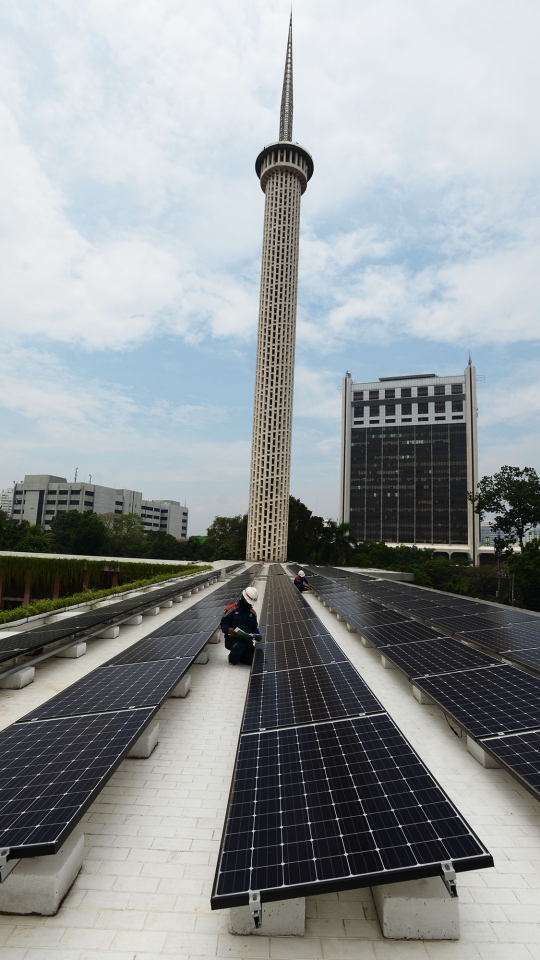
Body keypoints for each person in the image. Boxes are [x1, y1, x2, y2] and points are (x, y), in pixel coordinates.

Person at [221, 585, 262, 665]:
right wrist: (229, 629)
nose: (249, 605)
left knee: (256, 659)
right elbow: (223, 624)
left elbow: (254, 628)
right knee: (239, 647)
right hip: (232, 640)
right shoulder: (231, 609)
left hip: (247, 641)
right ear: (243, 598)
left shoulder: (252, 613)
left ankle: (242, 656)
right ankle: (232, 658)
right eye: (248, 603)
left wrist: (258, 636)